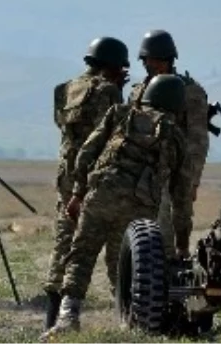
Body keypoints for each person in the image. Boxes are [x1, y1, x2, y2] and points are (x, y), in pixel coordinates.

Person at [45, 74, 192, 337]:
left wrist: (78, 194)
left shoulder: (120, 114)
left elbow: (86, 154)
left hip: (101, 195)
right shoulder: (177, 137)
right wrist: (182, 242)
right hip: (138, 208)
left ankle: (68, 318)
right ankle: (129, 324)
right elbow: (181, 196)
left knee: (81, 256)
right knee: (125, 266)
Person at [43, 36, 130, 329]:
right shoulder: (108, 92)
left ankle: (52, 320)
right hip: (95, 179)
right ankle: (126, 318)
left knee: (64, 244)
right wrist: (118, 92)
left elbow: (63, 127)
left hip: (67, 177)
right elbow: (113, 133)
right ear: (114, 66)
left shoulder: (65, 89)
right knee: (113, 246)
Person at [127, 29, 211, 239]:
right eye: (147, 60)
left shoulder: (189, 91)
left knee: (170, 228)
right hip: (139, 172)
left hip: (174, 170)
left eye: (157, 60)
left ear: (169, 60)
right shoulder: (138, 91)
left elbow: (197, 140)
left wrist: (192, 181)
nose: (151, 65)